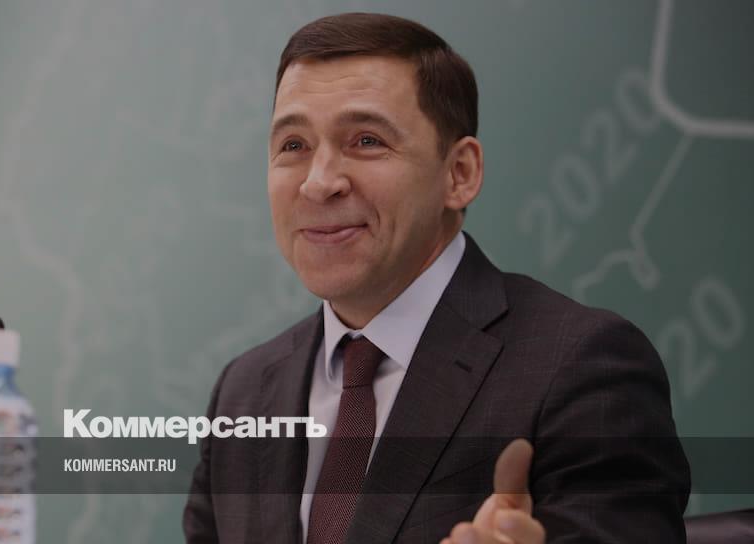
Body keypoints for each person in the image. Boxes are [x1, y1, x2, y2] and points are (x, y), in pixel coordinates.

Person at [182, 12, 690, 544]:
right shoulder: (243, 393)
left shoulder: (583, 366)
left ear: (459, 174)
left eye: (366, 140)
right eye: (293, 146)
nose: (319, 182)